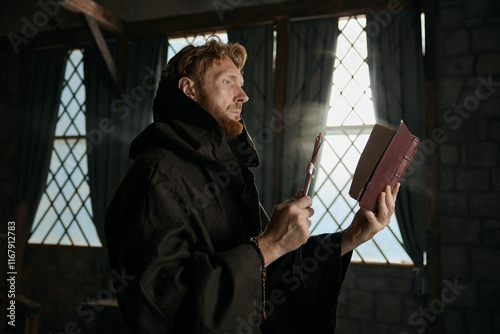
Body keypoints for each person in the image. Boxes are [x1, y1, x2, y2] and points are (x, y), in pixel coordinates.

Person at [105, 36, 400, 334]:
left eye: (241, 83)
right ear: (189, 90)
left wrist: (352, 236)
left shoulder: (225, 173)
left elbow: (270, 273)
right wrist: (269, 244)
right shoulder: (156, 175)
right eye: (227, 82)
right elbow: (162, 305)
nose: (243, 95)